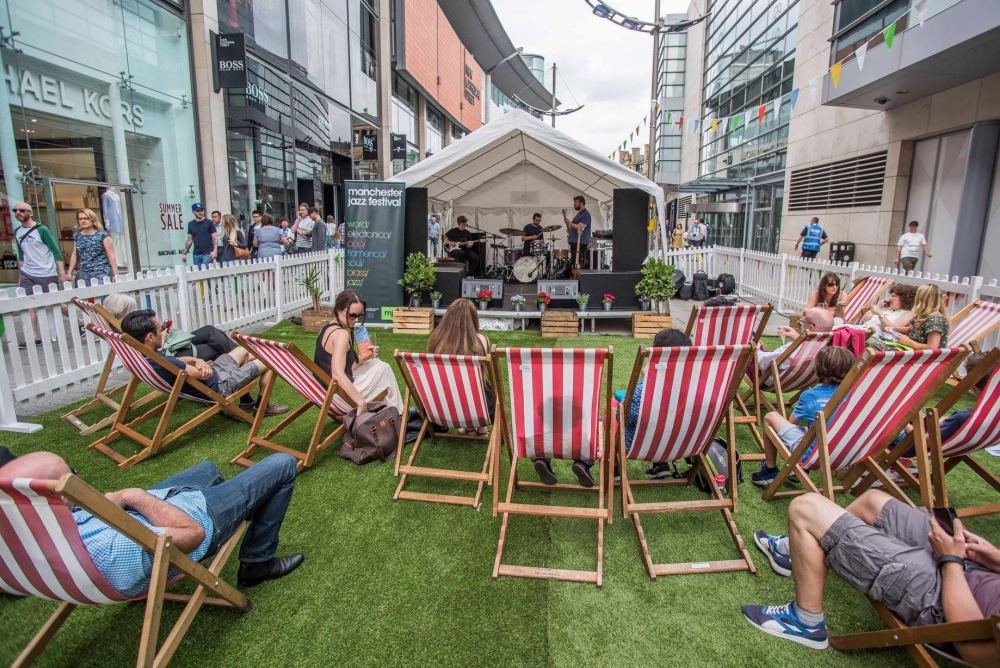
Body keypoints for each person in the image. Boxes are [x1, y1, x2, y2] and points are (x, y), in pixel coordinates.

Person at [744, 488, 1000, 665]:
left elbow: (976, 650)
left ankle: (806, 621)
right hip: (976, 567)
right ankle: (799, 551)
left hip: (942, 598)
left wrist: (951, 561)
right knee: (873, 501)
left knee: (805, 507)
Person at [0, 450, 305, 592]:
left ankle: (244, 501)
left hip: (151, 509)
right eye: (73, 477)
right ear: (58, 498)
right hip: (194, 519)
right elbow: (192, 534)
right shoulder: (111, 550)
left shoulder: (23, 534)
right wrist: (131, 495)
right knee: (282, 464)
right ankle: (256, 563)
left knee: (208, 468)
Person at [120, 309, 288, 416]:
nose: (163, 332)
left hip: (216, 374)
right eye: (160, 331)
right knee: (271, 357)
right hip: (220, 386)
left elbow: (179, 362)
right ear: (150, 337)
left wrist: (196, 360)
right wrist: (200, 366)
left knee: (244, 349)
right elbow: (201, 374)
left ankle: (246, 400)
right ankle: (262, 407)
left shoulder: (144, 356)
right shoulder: (162, 360)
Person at [750, 346, 856, 488]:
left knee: (771, 417)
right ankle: (798, 471)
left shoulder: (810, 395)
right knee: (815, 429)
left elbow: (791, 425)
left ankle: (770, 470)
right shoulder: (856, 394)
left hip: (815, 456)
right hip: (848, 454)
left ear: (818, 368)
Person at [613, 329, 693, 479]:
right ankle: (659, 465)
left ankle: (614, 470)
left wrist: (648, 379)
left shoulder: (644, 390)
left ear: (656, 356)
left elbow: (624, 417)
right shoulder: (699, 388)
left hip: (641, 446)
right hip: (684, 445)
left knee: (613, 408)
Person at [313, 289, 403, 413]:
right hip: (338, 398)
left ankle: (390, 413)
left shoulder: (326, 329)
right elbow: (337, 374)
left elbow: (341, 368)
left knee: (375, 363)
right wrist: (360, 402)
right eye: (352, 315)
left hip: (324, 393)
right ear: (339, 310)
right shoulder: (341, 334)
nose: (356, 320)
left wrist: (362, 357)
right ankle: (398, 414)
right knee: (384, 369)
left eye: (359, 316)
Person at [426, 299, 493, 434]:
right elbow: (481, 377)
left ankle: (469, 427)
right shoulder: (481, 340)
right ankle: (480, 427)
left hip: (442, 406)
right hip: (478, 408)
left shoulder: (437, 340)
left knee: (454, 384)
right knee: (478, 382)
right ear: (473, 319)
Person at [14, 201, 69, 349]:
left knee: (54, 302)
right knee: (29, 305)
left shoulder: (42, 230)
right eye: (15, 210)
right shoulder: (17, 231)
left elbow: (55, 251)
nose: (18, 213)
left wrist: (61, 273)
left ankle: (80, 323)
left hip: (45, 272)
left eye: (22, 210)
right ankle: (34, 337)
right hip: (27, 272)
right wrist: (20, 277)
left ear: (30, 213)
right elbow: (21, 256)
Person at [757, 307, 835, 375]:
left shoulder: (794, 349)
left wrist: (757, 351)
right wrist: (799, 340)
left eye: (803, 321)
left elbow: (762, 363)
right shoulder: (829, 346)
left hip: (772, 381)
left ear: (811, 328)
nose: (800, 323)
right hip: (803, 382)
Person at [891, 284, 950, 350]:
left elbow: (932, 348)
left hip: (919, 355)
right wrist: (892, 329)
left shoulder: (935, 319)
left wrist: (908, 342)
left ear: (921, 298)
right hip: (911, 351)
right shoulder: (925, 315)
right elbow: (911, 330)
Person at [69, 208, 117, 284]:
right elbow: (74, 254)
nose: (83, 221)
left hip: (101, 272)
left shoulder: (102, 234)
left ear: (92, 219)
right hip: (83, 273)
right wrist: (69, 272)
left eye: (86, 218)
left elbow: (111, 255)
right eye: (80, 219)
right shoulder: (77, 235)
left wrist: (115, 273)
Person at [180, 203, 216, 268]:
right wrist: (184, 253)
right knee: (198, 272)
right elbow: (189, 240)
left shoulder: (209, 222)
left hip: (208, 253)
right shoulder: (191, 224)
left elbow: (214, 238)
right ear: (193, 212)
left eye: (201, 210)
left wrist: (215, 251)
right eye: (198, 211)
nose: (200, 212)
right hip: (196, 254)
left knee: (205, 270)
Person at [563, 195, 591, 270]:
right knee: (573, 261)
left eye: (576, 202)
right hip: (575, 241)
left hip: (580, 242)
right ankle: (573, 274)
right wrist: (568, 226)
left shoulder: (586, 214)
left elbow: (580, 227)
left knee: (577, 262)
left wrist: (569, 223)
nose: (574, 204)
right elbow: (573, 227)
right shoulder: (579, 214)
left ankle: (577, 275)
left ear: (581, 203)